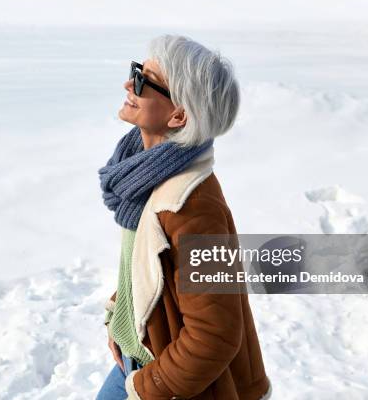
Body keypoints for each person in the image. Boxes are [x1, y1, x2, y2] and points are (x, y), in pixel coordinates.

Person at [97, 34, 271, 400]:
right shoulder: (146, 174)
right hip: (138, 356)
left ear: (179, 115)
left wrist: (147, 388)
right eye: (135, 71)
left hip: (166, 380)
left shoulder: (193, 207)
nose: (129, 84)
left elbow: (214, 334)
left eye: (145, 80)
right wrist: (122, 313)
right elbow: (152, 267)